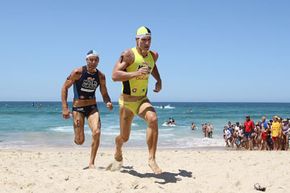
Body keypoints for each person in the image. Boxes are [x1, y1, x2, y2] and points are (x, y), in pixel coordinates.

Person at [109, 26, 162, 174]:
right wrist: (136, 73)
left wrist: (159, 80)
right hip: (126, 102)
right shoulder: (128, 55)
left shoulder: (153, 55)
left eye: (149, 40)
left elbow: (153, 65)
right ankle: (118, 146)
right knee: (124, 137)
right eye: (143, 40)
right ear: (137, 40)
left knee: (153, 118)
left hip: (142, 99)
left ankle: (151, 158)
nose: (147, 43)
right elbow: (114, 75)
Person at [61, 50, 113, 169]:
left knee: (97, 132)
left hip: (92, 107)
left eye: (96, 60)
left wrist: (108, 102)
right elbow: (64, 87)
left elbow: (104, 93)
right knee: (80, 141)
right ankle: (77, 135)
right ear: (87, 60)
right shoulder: (77, 72)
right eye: (91, 60)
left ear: (98, 61)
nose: (93, 62)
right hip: (78, 108)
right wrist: (65, 108)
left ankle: (91, 162)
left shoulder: (101, 76)